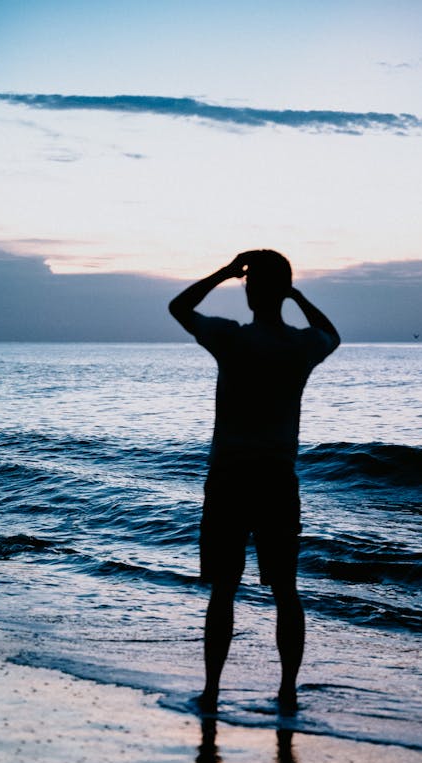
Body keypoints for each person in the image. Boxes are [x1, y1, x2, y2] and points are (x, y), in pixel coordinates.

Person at [169, 250, 340, 714]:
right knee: (286, 589)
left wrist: (224, 271)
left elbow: (179, 308)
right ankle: (287, 692)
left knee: (224, 589)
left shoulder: (230, 338)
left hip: (229, 476)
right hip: (276, 478)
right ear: (283, 290)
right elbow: (334, 335)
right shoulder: (300, 347)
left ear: (247, 290)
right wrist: (298, 295)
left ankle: (212, 691)